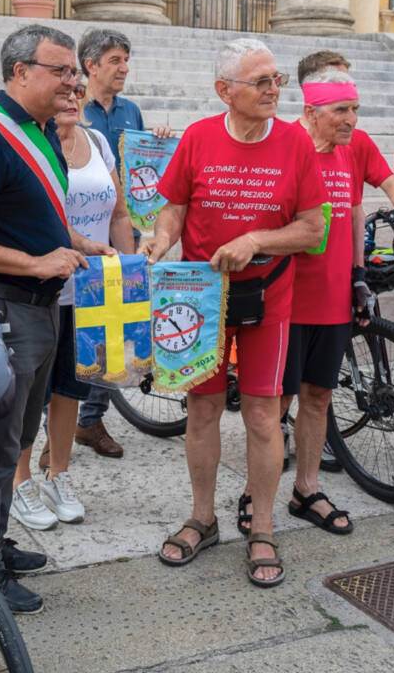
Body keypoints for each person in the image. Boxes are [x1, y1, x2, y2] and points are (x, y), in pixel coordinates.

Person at [0, 24, 112, 615]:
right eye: (61, 70)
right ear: (20, 72)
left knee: (19, 439)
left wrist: (80, 244)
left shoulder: (38, 130)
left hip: (43, 307)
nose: (73, 81)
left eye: (74, 71)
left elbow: (37, 212)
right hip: (5, 307)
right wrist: (34, 261)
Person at [145, 38, 326, 588]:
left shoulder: (295, 143)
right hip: (199, 299)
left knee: (263, 416)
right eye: (262, 81)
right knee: (200, 412)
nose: (274, 89)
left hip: (268, 297)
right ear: (225, 91)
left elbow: (314, 229)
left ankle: (264, 525)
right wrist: (160, 240)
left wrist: (255, 238)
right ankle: (203, 517)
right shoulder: (199, 137)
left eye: (277, 79)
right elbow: (174, 206)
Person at [260, 68, 394, 537]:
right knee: (274, 405)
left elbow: (372, 196)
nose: (351, 119)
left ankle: (306, 489)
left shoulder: (357, 146)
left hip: (333, 297)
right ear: (311, 112)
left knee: (318, 397)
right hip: (285, 297)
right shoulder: (284, 143)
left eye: (355, 109)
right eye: (341, 110)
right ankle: (258, 495)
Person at [12, 81, 137, 531]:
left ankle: (57, 474)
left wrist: (128, 268)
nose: (71, 98)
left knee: (72, 386)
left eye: (77, 90)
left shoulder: (99, 141)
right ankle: (19, 480)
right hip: (43, 288)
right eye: (63, 89)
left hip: (92, 290)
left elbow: (119, 213)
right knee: (29, 395)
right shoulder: (30, 144)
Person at [72, 28, 171, 460]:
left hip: (120, 228)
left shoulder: (130, 110)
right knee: (77, 328)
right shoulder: (75, 106)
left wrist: (158, 143)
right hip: (79, 230)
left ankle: (89, 419)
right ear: (91, 65)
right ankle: (58, 417)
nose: (124, 68)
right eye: (115, 60)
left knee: (116, 330)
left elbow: (141, 170)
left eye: (126, 60)